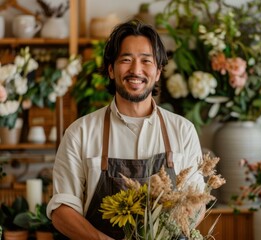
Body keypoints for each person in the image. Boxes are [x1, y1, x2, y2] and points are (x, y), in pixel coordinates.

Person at [46, 20, 205, 240]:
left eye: (146, 61)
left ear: (158, 71)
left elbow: (196, 202)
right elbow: (62, 210)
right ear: (111, 70)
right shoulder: (79, 133)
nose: (136, 70)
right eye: (126, 60)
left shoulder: (183, 130)